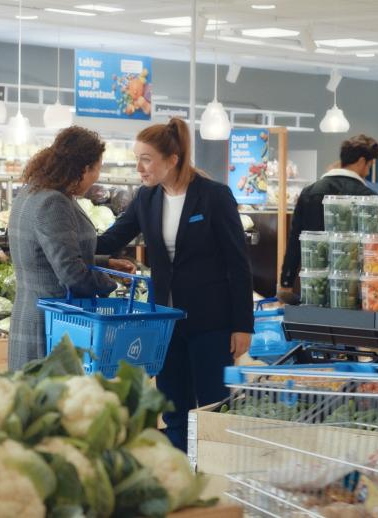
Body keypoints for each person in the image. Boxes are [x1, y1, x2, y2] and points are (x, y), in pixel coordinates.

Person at [96, 117, 254, 451]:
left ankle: (213, 474)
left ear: (172, 159)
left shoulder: (214, 196)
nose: (139, 167)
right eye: (137, 158)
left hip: (212, 322)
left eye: (146, 158)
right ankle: (181, 469)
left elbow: (238, 264)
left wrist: (243, 325)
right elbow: (110, 239)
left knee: (213, 405)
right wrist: (66, 242)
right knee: (172, 404)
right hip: (165, 322)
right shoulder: (146, 199)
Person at [8, 126, 135, 370]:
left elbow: (48, 255)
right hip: (50, 322)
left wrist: (105, 263)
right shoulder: (53, 202)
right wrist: (112, 284)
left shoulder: (32, 191)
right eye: (98, 168)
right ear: (84, 168)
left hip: (32, 314)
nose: (98, 175)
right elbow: (71, 274)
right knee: (51, 402)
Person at [278, 135, 378, 303]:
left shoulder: (309, 191)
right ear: (362, 161)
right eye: (369, 165)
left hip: (313, 285)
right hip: (353, 290)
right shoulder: (368, 197)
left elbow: (295, 240)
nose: (368, 171)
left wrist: (286, 282)